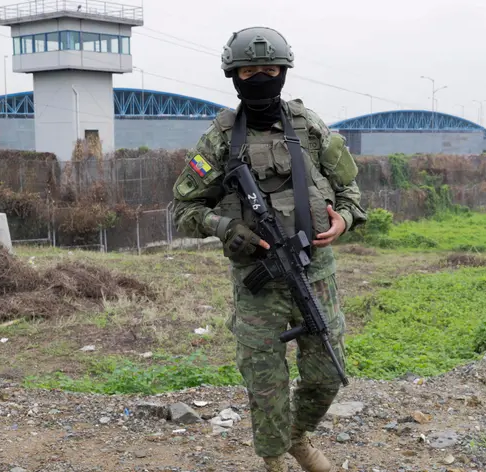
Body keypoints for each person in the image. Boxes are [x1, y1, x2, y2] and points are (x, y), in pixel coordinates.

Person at [171, 26, 366, 472]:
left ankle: (297, 436)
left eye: (269, 69)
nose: (260, 77)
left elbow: (349, 185)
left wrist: (346, 217)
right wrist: (224, 227)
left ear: (283, 72)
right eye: (248, 70)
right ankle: (274, 459)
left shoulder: (309, 126)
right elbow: (183, 208)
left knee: (325, 374)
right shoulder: (219, 140)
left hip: (314, 272)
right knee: (266, 383)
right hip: (257, 283)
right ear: (233, 76)